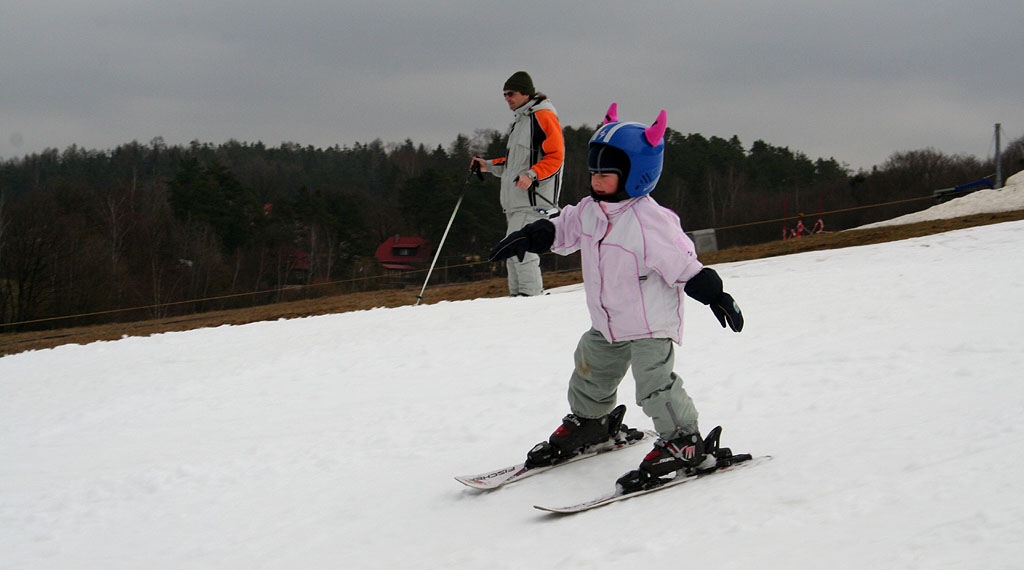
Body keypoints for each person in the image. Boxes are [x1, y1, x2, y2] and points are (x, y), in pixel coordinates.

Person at [488, 103, 744, 493]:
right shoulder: (591, 210)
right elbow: (562, 228)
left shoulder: (649, 220)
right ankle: (592, 423)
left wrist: (716, 294)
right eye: (593, 172)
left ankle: (684, 440)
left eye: (606, 173)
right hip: (608, 321)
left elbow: (682, 262)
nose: (596, 180)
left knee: (654, 383)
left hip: (648, 324)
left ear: (636, 174)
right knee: (590, 367)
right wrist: (530, 235)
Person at [471, 71, 564, 297]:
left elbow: (556, 156)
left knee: (522, 251)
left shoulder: (543, 117)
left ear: (525, 92)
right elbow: (514, 165)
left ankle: (530, 299)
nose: (507, 99)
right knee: (513, 252)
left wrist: (532, 175)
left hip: (533, 202)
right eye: (504, 95)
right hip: (515, 204)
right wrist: (487, 165)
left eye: (510, 94)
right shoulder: (520, 122)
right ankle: (518, 300)